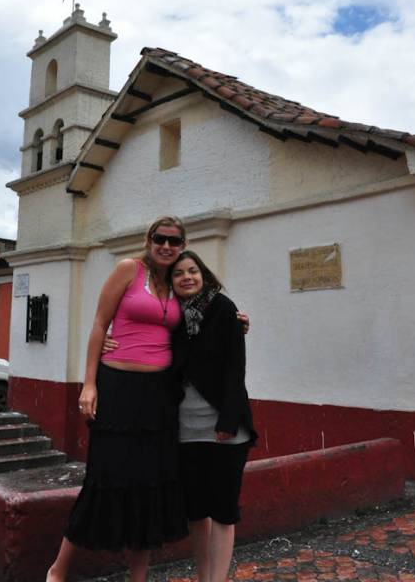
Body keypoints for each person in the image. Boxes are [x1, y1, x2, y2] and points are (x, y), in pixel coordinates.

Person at [46, 216, 189, 582]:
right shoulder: (129, 269)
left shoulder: (177, 282)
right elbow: (99, 324)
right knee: (104, 478)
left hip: (159, 397)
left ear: (182, 246)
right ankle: (58, 571)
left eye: (174, 241)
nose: (167, 246)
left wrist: (238, 322)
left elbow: (205, 315)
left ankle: (137, 577)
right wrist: (89, 383)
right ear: (149, 238)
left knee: (150, 485)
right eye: (161, 238)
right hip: (118, 389)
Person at [170, 250, 256, 582]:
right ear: (172, 281)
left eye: (193, 271)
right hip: (184, 429)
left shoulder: (224, 309)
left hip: (225, 428)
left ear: (204, 275)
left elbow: (236, 369)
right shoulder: (168, 318)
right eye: (179, 273)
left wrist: (228, 421)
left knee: (222, 511)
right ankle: (202, 576)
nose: (187, 277)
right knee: (195, 511)